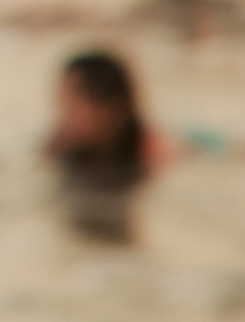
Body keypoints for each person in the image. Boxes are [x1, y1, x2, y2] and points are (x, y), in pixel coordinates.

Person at [47, 48, 172, 245]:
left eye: (73, 103)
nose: (63, 113)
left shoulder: (149, 148)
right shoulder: (60, 145)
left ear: (108, 108)